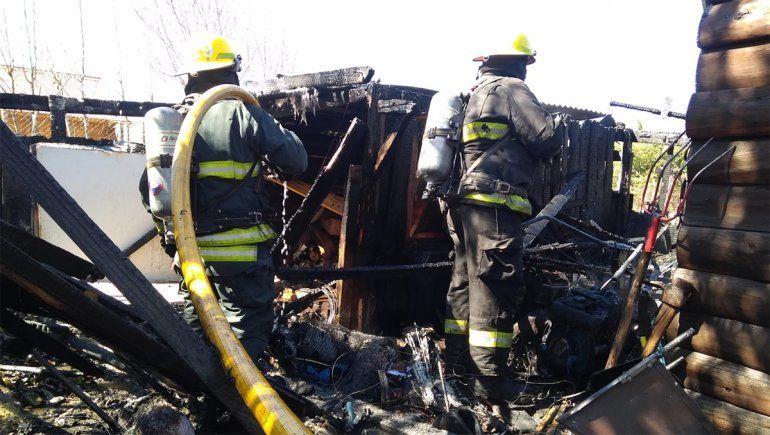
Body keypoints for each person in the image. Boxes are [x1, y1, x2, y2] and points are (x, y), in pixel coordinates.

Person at [140, 33, 307, 362]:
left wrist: (172, 241)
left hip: (192, 258)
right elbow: (296, 160)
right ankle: (238, 407)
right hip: (242, 260)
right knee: (244, 338)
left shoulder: (172, 122)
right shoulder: (244, 114)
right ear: (233, 72)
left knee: (195, 332)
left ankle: (197, 399)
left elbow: (149, 191)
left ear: (190, 77)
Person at [443, 34, 564, 402]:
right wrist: (559, 125)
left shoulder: (474, 94)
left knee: (464, 283)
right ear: (519, 63)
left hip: (463, 205)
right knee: (494, 287)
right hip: (495, 206)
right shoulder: (511, 89)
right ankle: (491, 383)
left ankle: (458, 367)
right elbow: (545, 137)